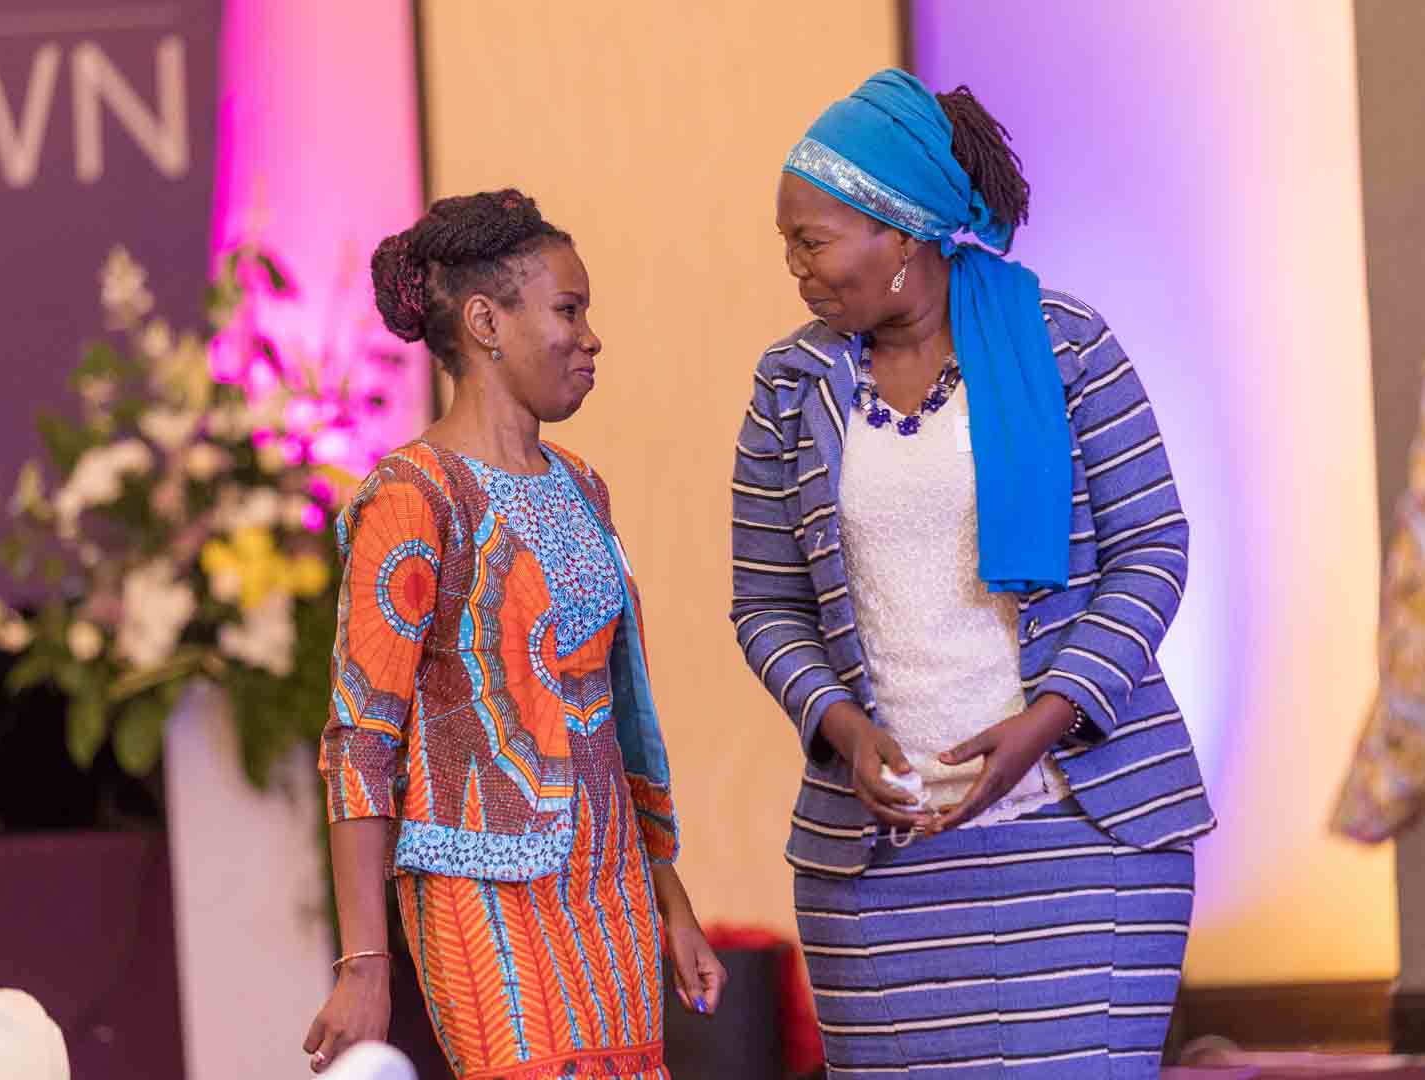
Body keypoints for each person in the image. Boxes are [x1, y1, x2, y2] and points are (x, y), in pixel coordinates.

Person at [730, 69, 1215, 1077]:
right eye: (787, 244)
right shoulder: (789, 387)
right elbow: (767, 604)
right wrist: (843, 727)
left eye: (811, 241)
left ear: (899, 233)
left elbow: (1153, 549)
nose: (795, 268)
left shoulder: (1068, 346)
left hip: (1081, 832)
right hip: (881, 859)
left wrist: (1049, 718)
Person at [307, 189, 725, 1077]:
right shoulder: (412, 495)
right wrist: (365, 963)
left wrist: (672, 902)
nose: (591, 337)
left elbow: (621, 715)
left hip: (609, 877)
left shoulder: (583, 486)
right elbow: (360, 737)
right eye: (568, 310)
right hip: (477, 884)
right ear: (486, 322)